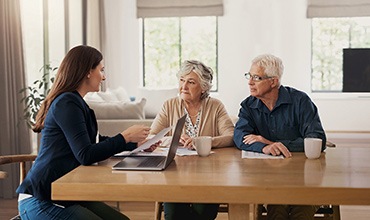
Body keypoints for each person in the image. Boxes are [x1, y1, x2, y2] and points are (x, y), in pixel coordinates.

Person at [16, 45, 158, 220]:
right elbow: (85, 154)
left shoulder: (76, 103)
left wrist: (135, 144)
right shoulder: (67, 103)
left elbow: (94, 142)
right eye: (101, 70)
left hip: (66, 193)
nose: (104, 76)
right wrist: (125, 136)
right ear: (88, 72)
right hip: (42, 198)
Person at [233, 54, 326, 220]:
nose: (250, 82)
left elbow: (317, 139)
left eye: (256, 77)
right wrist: (264, 147)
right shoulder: (248, 105)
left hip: (304, 177)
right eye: (249, 76)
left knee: (301, 213)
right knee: (276, 211)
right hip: (270, 179)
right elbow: (240, 137)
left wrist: (271, 143)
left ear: (273, 81)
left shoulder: (300, 101)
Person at [150, 60, 234, 220]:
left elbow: (231, 137)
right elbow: (151, 138)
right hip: (175, 175)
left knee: (203, 214)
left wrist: (203, 141)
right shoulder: (169, 105)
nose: (183, 86)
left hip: (208, 176)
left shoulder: (216, 106)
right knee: (174, 215)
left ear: (203, 87)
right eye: (181, 80)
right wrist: (173, 140)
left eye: (191, 82)